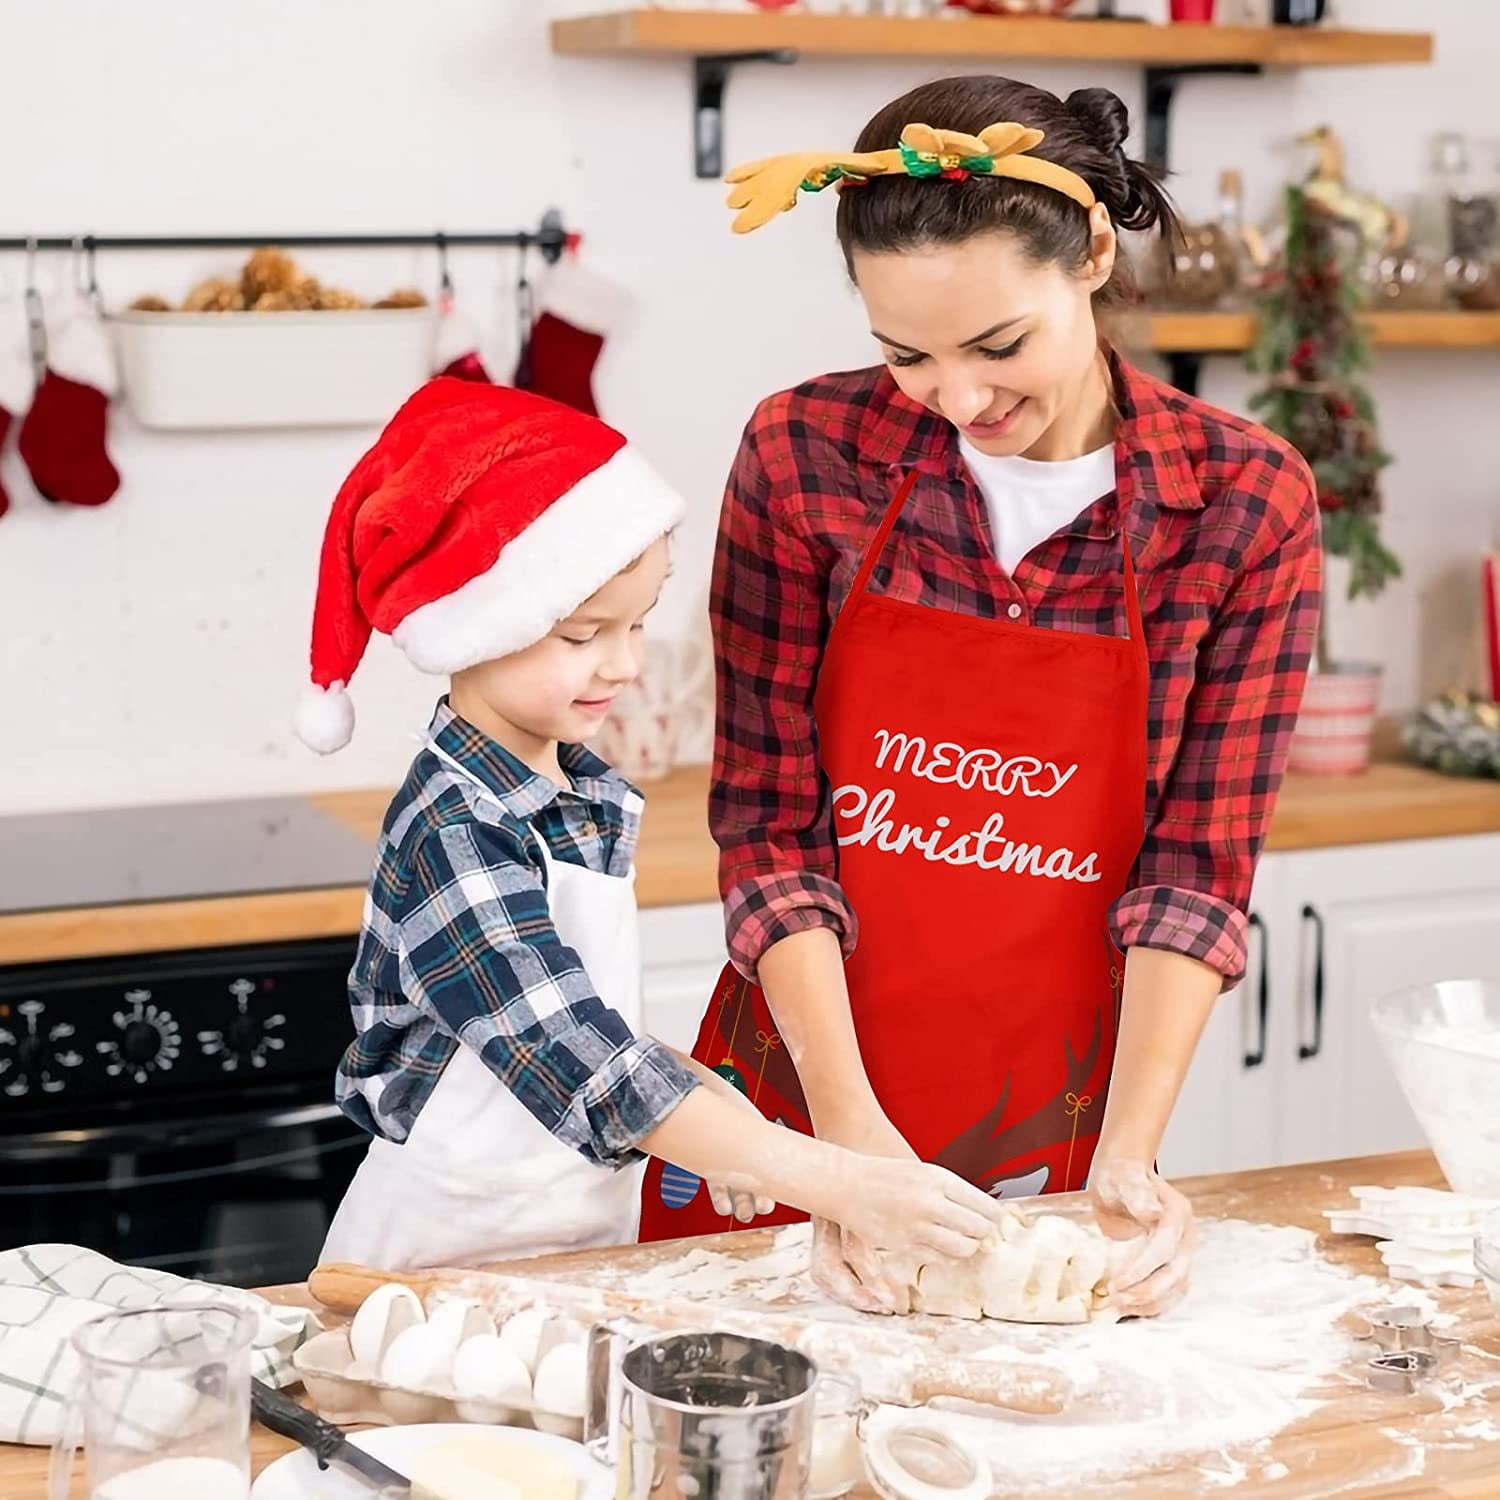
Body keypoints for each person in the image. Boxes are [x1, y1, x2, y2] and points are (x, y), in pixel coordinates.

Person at [639, 78, 1321, 1320]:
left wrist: (1129, 1157)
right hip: (798, 1100)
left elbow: (1194, 871)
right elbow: (771, 822)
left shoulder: (1238, 502)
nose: (958, 398)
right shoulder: (806, 455)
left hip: (1056, 1101)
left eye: (998, 346)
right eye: (908, 355)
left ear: (1095, 255)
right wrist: (847, 1152)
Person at [295, 377, 1010, 1272]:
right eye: (585, 633)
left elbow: (587, 1017)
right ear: (476, 628)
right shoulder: (456, 831)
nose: (626, 663)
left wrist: (718, 1103)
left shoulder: (573, 792)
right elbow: (579, 1062)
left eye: (637, 624)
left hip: (574, 1241)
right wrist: (840, 1181)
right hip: (440, 1255)